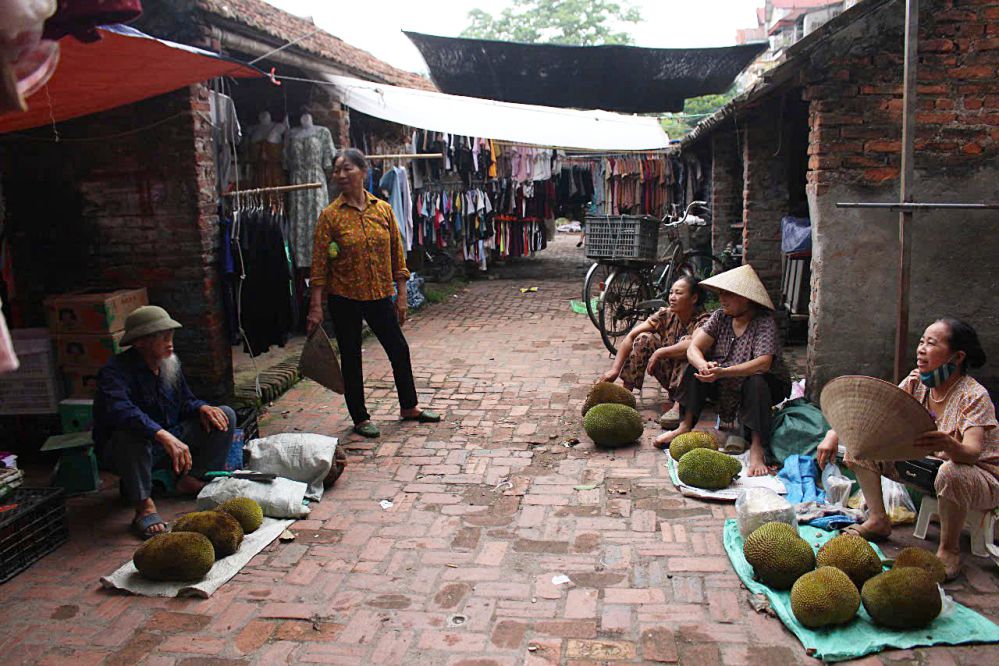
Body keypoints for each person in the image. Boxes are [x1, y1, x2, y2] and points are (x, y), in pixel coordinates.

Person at [817, 317, 996, 580]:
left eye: (931, 344)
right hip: (933, 466)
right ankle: (878, 520)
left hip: (980, 477)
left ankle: (949, 550)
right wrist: (834, 432)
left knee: (952, 471)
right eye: (921, 341)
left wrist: (949, 444)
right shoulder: (917, 382)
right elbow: (874, 416)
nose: (921, 349)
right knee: (860, 447)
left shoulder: (973, 395)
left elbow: (971, 453)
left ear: (957, 357)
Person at [307, 148, 440, 439]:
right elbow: (319, 265)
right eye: (337, 170)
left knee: (398, 349)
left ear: (363, 172)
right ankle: (360, 417)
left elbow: (397, 254)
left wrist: (401, 294)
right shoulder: (330, 216)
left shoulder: (383, 209)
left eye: (347, 169)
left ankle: (409, 406)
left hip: (380, 294)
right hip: (344, 297)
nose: (340, 175)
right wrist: (316, 306)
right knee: (352, 358)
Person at [92, 306, 235, 539]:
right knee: (130, 434)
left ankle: (191, 479)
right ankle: (143, 506)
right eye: (163, 338)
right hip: (126, 451)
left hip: (167, 442)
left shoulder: (169, 364)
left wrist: (201, 407)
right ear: (140, 343)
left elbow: (185, 401)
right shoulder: (115, 371)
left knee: (225, 414)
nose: (170, 343)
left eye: (171, 337)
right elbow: (121, 411)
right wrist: (160, 434)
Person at [654, 265, 790, 476]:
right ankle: (685, 425)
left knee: (757, 380)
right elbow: (694, 348)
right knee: (693, 367)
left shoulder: (763, 322)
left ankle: (756, 446)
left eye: (729, 295)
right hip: (723, 379)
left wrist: (724, 372)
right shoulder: (720, 317)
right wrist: (703, 365)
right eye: (721, 294)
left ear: (745, 298)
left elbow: (763, 362)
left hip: (760, 385)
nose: (722, 300)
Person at [600, 276, 710, 422]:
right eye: (671, 293)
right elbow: (632, 336)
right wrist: (615, 369)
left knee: (687, 343)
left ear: (694, 298)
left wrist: (660, 352)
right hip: (670, 376)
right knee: (644, 338)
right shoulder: (666, 314)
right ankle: (626, 394)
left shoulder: (704, 320)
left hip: (694, 385)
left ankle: (679, 406)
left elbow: (693, 346)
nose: (672, 297)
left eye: (679, 293)